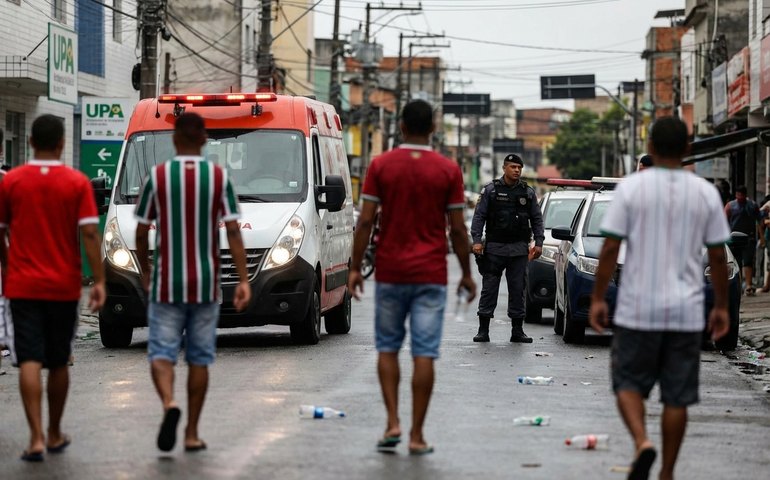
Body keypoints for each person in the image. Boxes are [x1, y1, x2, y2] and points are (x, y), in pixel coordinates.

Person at [589, 116, 730, 480]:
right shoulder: (705, 193)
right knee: (676, 396)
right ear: (687, 149)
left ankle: (641, 442)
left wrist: (599, 297)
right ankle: (667, 471)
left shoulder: (632, 189)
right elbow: (717, 256)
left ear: (650, 148)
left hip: (638, 309)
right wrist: (721, 306)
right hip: (685, 313)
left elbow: (609, 248)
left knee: (627, 384)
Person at [348, 100, 476, 455]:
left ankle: (392, 423)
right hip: (431, 275)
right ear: (432, 128)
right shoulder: (448, 170)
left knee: (387, 349)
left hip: (390, 272)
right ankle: (417, 435)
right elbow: (458, 230)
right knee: (424, 354)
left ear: (401, 127)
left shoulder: (381, 166)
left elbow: (366, 221)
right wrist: (466, 274)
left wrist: (355, 267)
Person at [134, 112, 251, 453]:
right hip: (205, 283)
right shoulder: (218, 178)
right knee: (199, 359)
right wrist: (243, 279)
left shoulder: (157, 177)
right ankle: (192, 433)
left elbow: (141, 232)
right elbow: (232, 231)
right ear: (204, 140)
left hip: (166, 283)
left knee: (161, 353)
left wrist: (144, 269)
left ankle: (170, 402)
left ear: (174, 139)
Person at [0, 114, 106, 461]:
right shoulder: (76, 183)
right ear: (62, 145)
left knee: (29, 359)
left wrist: (8, 263)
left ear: (30, 142)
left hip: (22, 285)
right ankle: (55, 431)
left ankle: (34, 439)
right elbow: (90, 233)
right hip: (62, 286)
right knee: (58, 361)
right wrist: (100, 280)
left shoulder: (11, 182)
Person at [469, 153, 544, 343]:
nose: (517, 170)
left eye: (519, 167)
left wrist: (539, 242)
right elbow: (479, 217)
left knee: (518, 290)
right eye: (513, 167)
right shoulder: (491, 191)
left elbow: (537, 219)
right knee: (489, 289)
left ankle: (517, 331)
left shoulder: (527, 192)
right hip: (495, 248)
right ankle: (483, 329)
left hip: (519, 250)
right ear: (504, 168)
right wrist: (477, 240)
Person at [724, 185, 763, 296]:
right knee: (736, 263)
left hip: (749, 239)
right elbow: (722, 222)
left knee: (748, 261)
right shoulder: (730, 206)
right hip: (732, 239)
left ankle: (749, 285)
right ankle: (738, 285)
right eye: (738, 194)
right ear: (736, 195)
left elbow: (759, 221)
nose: (740, 196)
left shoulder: (752, 205)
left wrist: (762, 237)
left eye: (742, 194)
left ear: (745, 195)